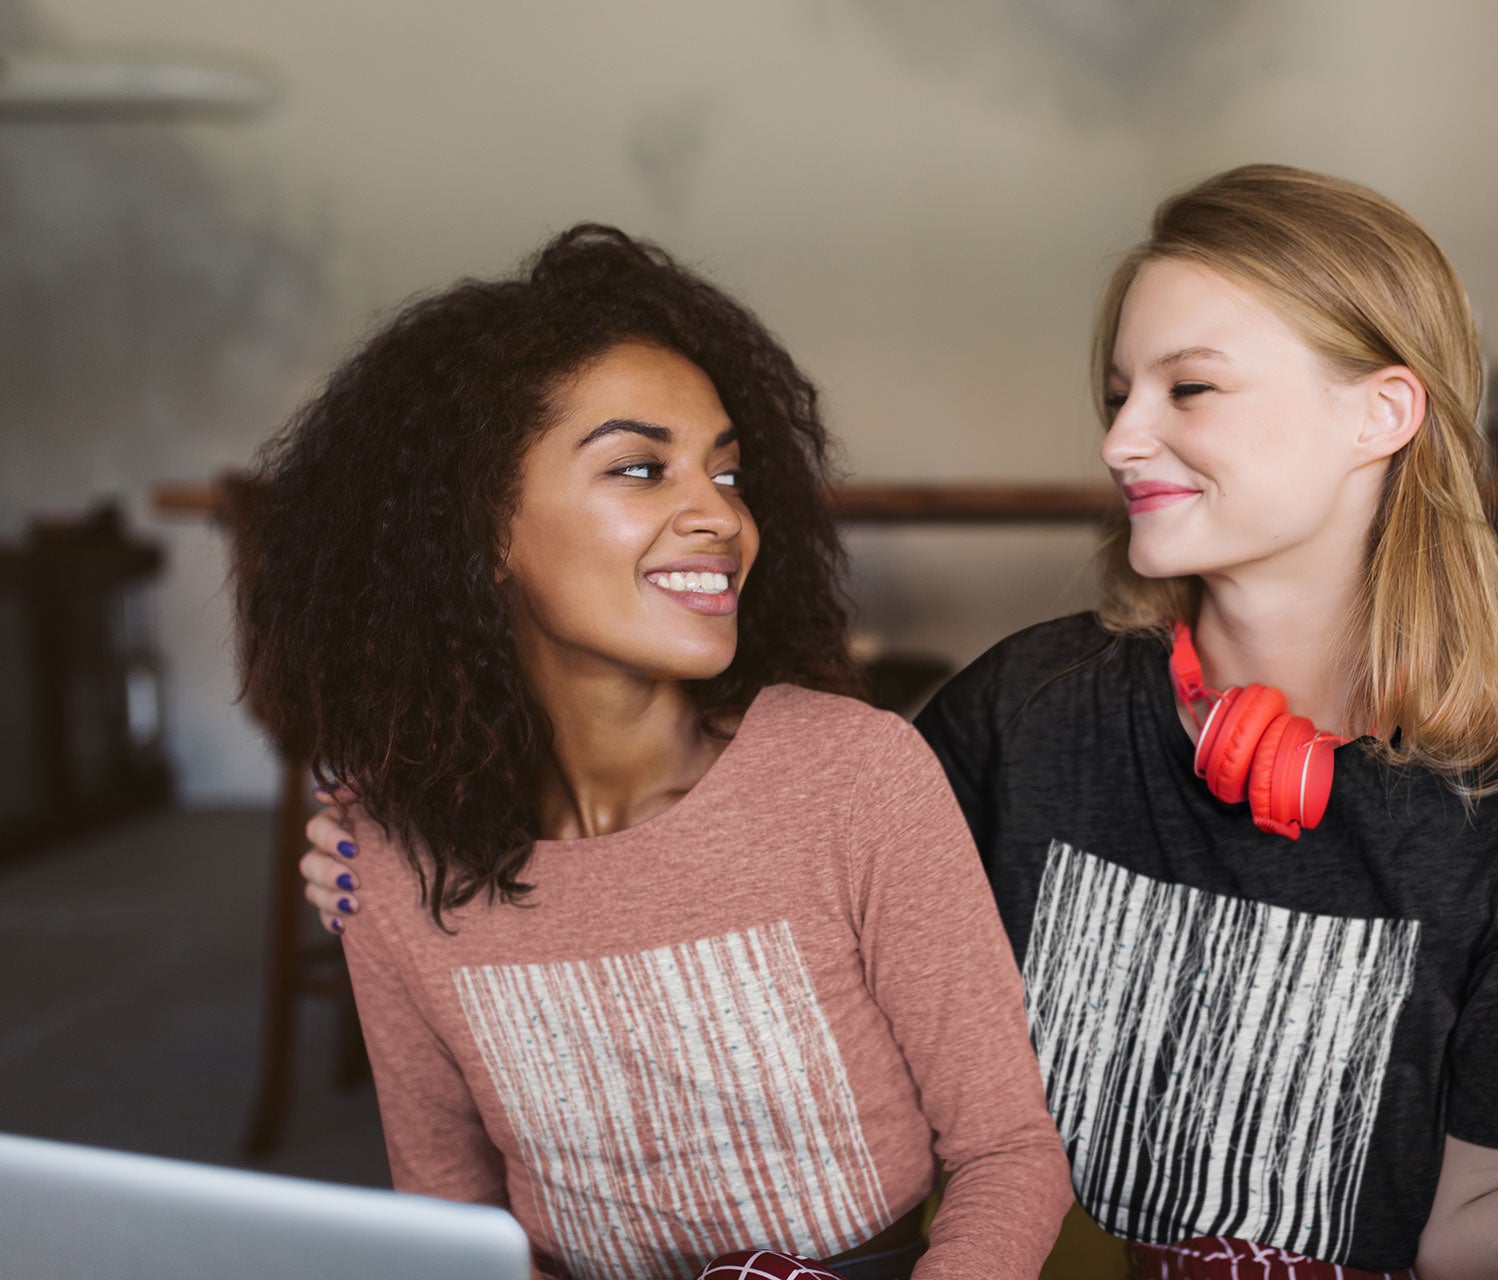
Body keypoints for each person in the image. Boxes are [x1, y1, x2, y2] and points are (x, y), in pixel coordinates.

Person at [296, 170, 1498, 1280]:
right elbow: (765, 922)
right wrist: (430, 836)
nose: (1124, 433)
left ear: (1383, 413)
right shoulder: (1032, 709)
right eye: (1120, 388)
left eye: (1189, 388)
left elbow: (1467, 1237)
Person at [235, 225, 1071, 1280]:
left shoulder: (854, 774)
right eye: (641, 467)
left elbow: (1008, 1149)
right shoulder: (388, 856)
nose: (717, 513)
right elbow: (449, 1213)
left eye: (728, 471)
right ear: (479, 526)